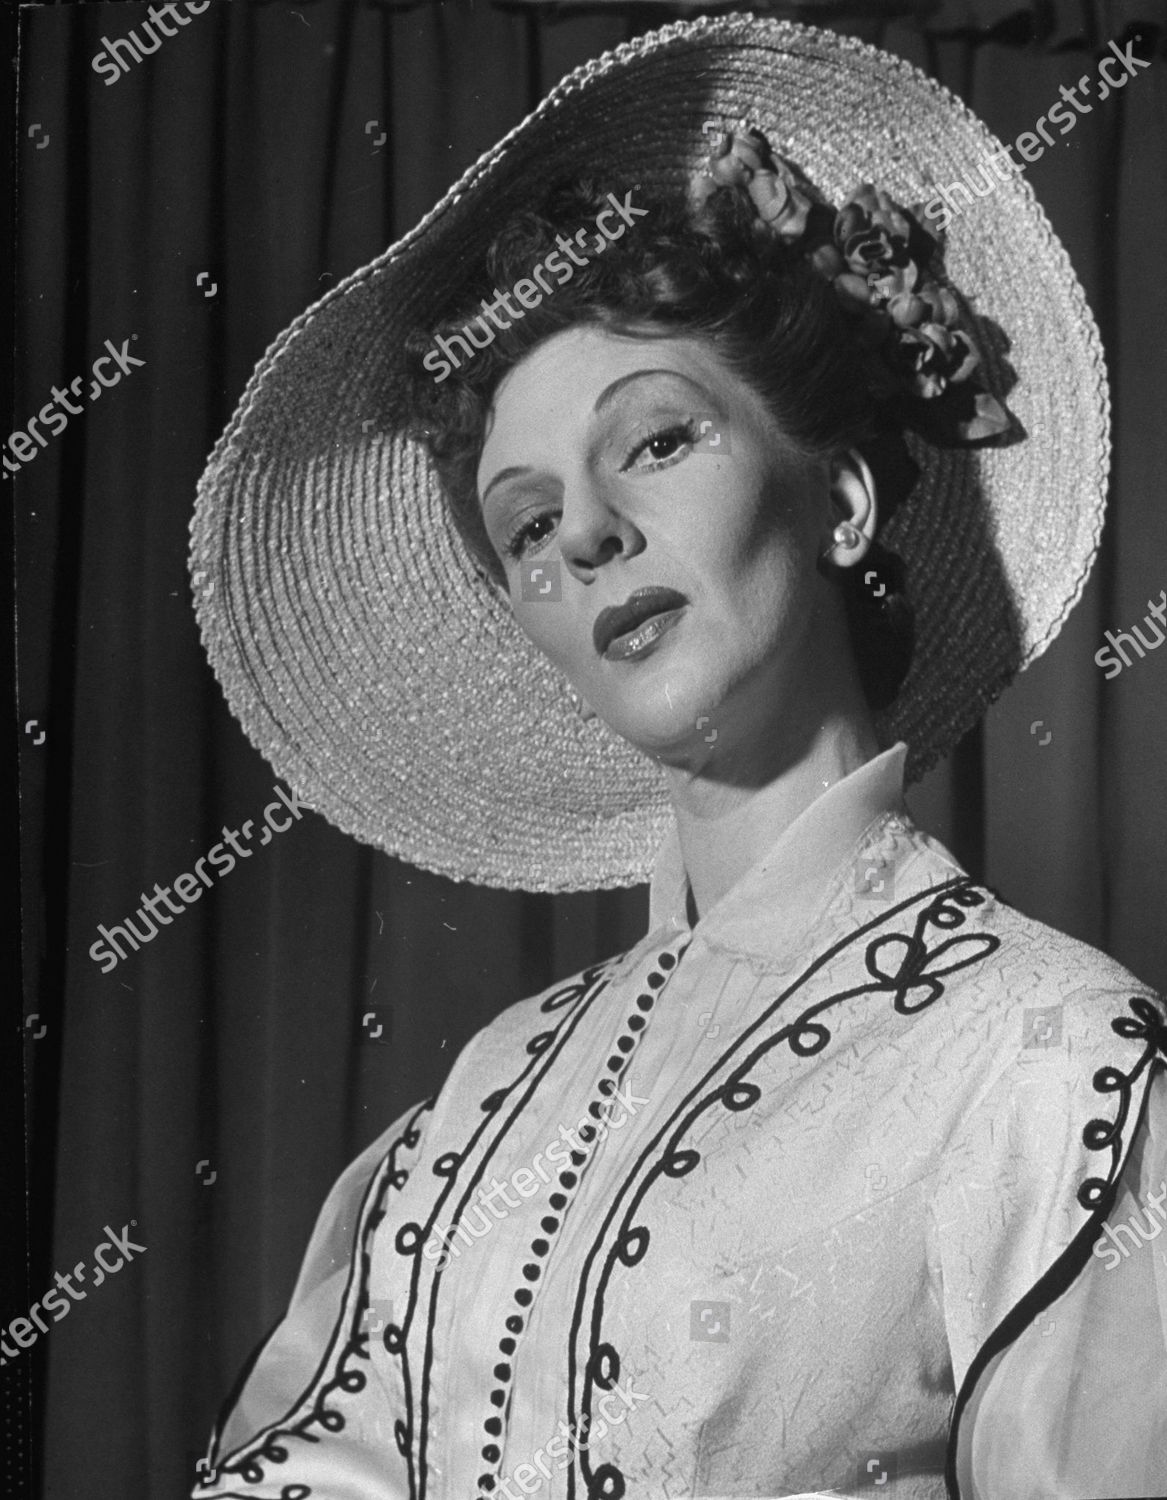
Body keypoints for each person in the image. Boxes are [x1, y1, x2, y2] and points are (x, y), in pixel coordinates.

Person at [188, 15, 1167, 1499]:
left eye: (653, 442)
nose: (580, 533)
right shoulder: (480, 1103)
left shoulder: (1050, 1061)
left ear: (838, 500)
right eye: (525, 523)